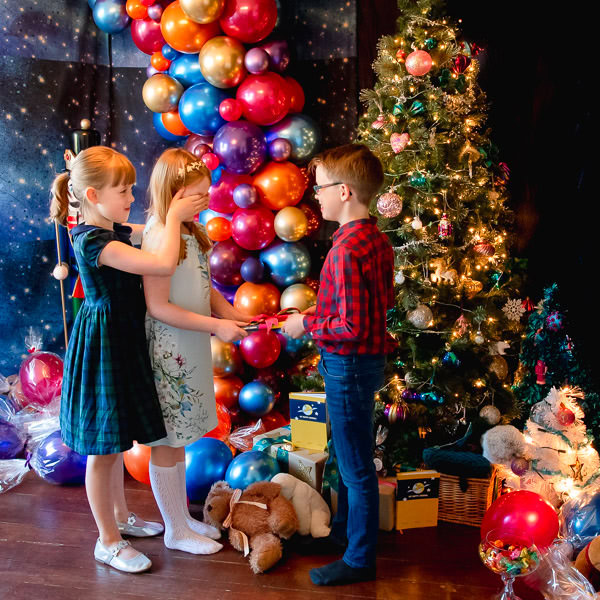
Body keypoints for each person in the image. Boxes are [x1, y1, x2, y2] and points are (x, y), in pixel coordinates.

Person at [50, 146, 206, 574]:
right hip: (104, 345)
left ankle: (120, 517)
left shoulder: (114, 229)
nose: (131, 196)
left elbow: (146, 230)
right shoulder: (93, 240)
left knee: (117, 441)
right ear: (94, 197)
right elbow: (158, 264)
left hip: (122, 340)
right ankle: (108, 541)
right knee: (102, 450)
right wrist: (171, 219)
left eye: (133, 187)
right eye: (123, 190)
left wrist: (163, 219)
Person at [282, 144, 396, 586]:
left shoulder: (345, 251)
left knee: (355, 466)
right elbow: (379, 305)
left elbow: (347, 325)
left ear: (345, 191)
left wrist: (305, 322)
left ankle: (359, 559)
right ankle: (348, 536)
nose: (316, 197)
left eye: (321, 188)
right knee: (353, 457)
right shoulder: (374, 238)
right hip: (364, 363)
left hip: (348, 365)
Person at [142, 148, 249, 555]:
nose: (206, 202)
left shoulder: (191, 231)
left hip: (190, 348)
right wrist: (216, 327)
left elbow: (204, 290)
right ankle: (174, 528)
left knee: (181, 438)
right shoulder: (158, 235)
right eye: (198, 196)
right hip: (170, 351)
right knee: (167, 441)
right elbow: (159, 307)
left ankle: (181, 519)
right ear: (174, 193)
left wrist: (233, 314)